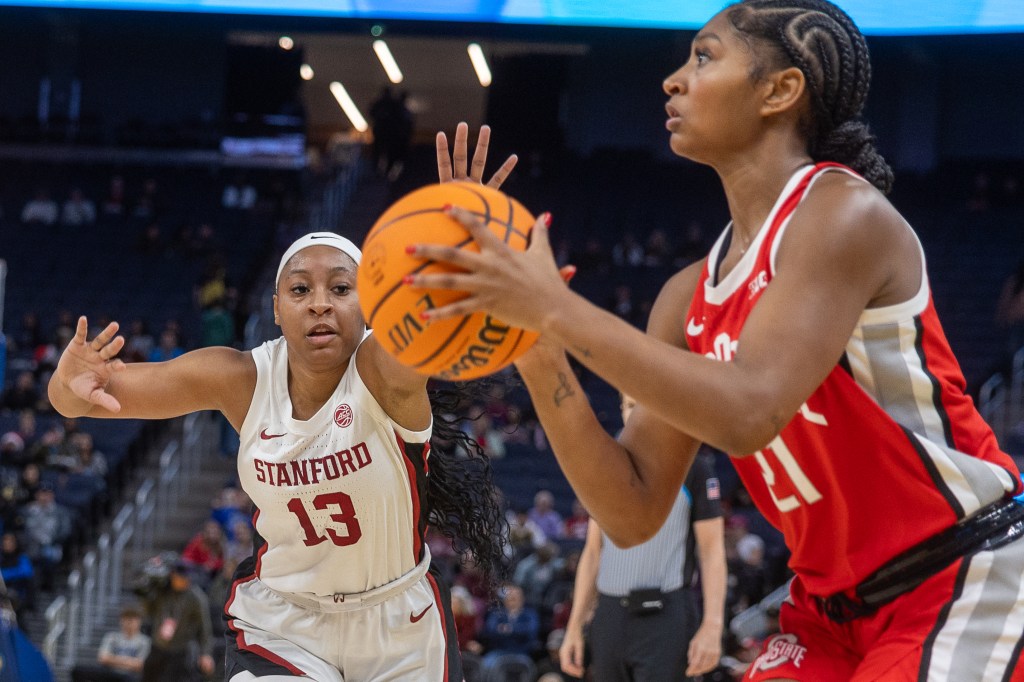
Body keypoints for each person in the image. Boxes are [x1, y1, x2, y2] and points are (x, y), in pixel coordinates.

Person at [412, 4, 1024, 680]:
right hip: (828, 611)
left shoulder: (840, 214)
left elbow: (748, 411)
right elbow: (632, 511)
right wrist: (532, 342)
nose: (672, 80)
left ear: (779, 90)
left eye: (703, 56)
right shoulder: (684, 296)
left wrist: (556, 308)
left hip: (960, 572)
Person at [48, 125, 517, 681]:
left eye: (341, 289)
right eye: (300, 290)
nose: (320, 304)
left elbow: (421, 336)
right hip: (283, 621)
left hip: (397, 622)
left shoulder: (381, 371)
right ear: (275, 308)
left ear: (370, 303)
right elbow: (85, 402)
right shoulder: (240, 377)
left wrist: (451, 254)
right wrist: (64, 381)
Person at [560, 394, 726, 681]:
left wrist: (713, 625)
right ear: (621, 411)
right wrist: (574, 626)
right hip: (610, 615)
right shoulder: (605, 467)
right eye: (630, 406)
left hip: (665, 615)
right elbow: (593, 552)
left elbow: (711, 552)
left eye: (644, 406)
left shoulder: (694, 469)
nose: (636, 416)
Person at [135, 556, 214, 682]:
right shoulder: (161, 590)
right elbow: (147, 611)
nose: (186, 581)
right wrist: (148, 587)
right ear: (172, 575)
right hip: (157, 648)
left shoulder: (196, 597)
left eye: (188, 578)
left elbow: (204, 628)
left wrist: (205, 653)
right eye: (182, 578)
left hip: (181, 652)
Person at [71, 606, 151, 682]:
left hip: (131, 676)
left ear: (139, 621)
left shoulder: (145, 641)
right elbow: (102, 658)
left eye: (132, 620)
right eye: (126, 619)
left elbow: (140, 665)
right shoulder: (112, 636)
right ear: (121, 620)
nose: (129, 623)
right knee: (78, 670)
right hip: (110, 673)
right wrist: (129, 661)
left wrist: (113, 659)